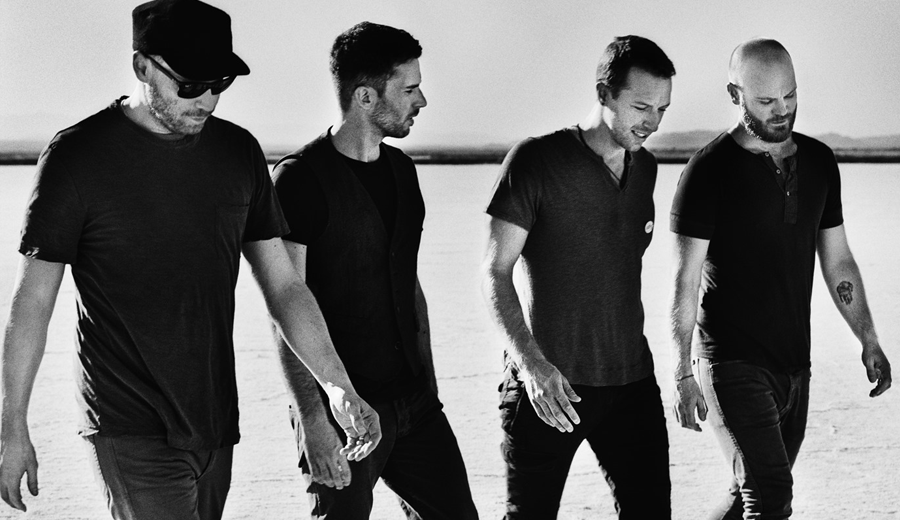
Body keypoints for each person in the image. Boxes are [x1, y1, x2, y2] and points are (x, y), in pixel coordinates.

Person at [0, 1, 381, 519]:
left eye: (219, 83)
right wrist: (12, 426)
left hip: (214, 421)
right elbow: (32, 302)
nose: (207, 100)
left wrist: (338, 385)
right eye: (189, 85)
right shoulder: (77, 158)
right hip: (127, 423)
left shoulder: (239, 153)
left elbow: (285, 287)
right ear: (142, 67)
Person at [670, 38, 892, 519]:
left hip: (794, 366)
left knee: (747, 495)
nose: (783, 110)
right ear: (735, 95)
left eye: (790, 95)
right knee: (770, 498)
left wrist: (869, 338)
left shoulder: (819, 162)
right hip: (730, 362)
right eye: (767, 100)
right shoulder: (708, 171)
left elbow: (838, 261)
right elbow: (685, 280)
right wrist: (682, 370)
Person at [270, 21, 478, 520]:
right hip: (341, 412)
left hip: (415, 402)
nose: (421, 100)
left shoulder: (404, 172)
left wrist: (429, 388)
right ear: (365, 97)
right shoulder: (299, 179)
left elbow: (409, 286)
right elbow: (284, 305)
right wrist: (312, 419)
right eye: (409, 89)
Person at [482, 35, 675, 519]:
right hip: (550, 387)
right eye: (641, 107)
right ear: (604, 93)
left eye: (662, 109)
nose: (652, 122)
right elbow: (495, 272)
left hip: (631, 383)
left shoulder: (646, 168)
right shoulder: (536, 161)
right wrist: (532, 367)